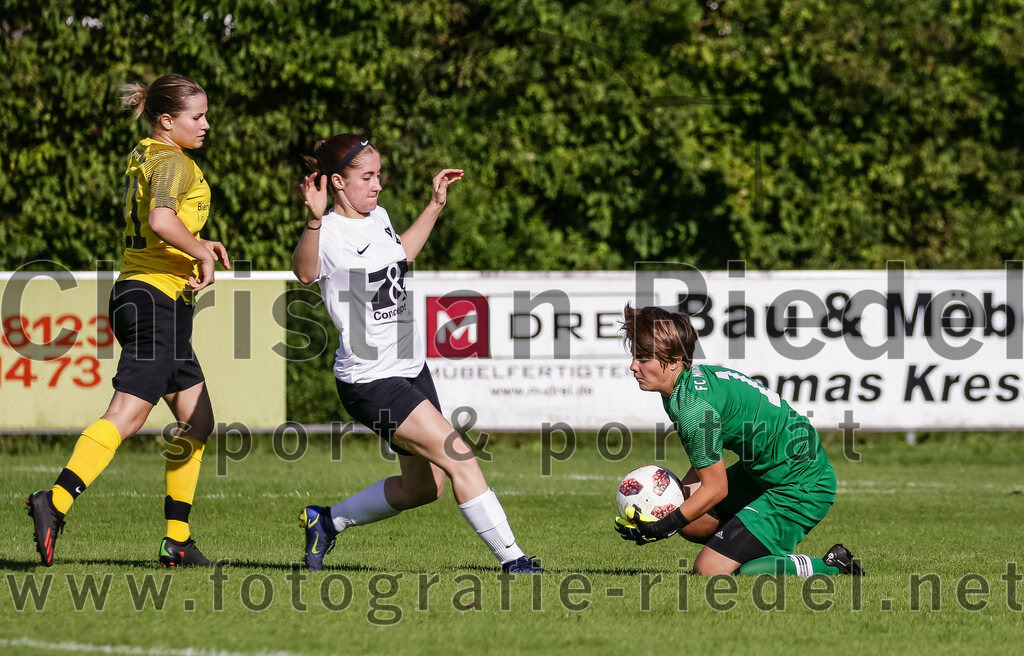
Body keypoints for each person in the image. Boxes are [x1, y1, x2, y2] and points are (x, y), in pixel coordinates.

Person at [292, 134, 544, 574]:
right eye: (367, 177)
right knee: (459, 455)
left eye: (378, 176)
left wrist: (434, 205)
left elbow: (400, 256)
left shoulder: (380, 216)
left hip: (410, 368)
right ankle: (515, 560)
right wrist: (312, 221)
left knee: (424, 488)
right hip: (372, 381)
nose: (377, 186)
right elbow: (304, 272)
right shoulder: (327, 231)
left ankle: (326, 521)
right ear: (336, 181)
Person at [25, 74, 229, 567]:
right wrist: (199, 250)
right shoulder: (175, 162)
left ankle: (176, 540)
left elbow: (162, 224)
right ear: (167, 121)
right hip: (152, 299)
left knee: (197, 420)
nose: (206, 124)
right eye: (196, 117)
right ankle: (53, 501)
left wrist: (197, 247)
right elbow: (161, 220)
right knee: (129, 414)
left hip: (152, 297)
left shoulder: (147, 152)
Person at [614, 304, 864, 576]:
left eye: (642, 359)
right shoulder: (684, 387)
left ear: (674, 360)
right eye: (634, 357)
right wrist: (668, 505)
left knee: (710, 569)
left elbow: (716, 488)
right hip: (765, 472)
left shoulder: (693, 407)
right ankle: (745, 543)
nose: (633, 366)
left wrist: (664, 525)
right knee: (690, 520)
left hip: (801, 484)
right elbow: (705, 465)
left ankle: (833, 566)